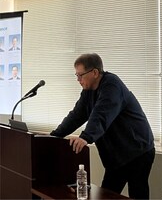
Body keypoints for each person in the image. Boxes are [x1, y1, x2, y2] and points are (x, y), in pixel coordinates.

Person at [50, 53, 155, 199]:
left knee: (138, 194)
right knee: (106, 195)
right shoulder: (88, 91)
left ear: (94, 72)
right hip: (116, 155)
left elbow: (101, 114)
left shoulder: (112, 85)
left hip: (137, 150)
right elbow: (76, 115)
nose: (78, 80)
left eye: (80, 75)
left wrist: (85, 137)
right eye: (76, 75)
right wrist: (54, 135)